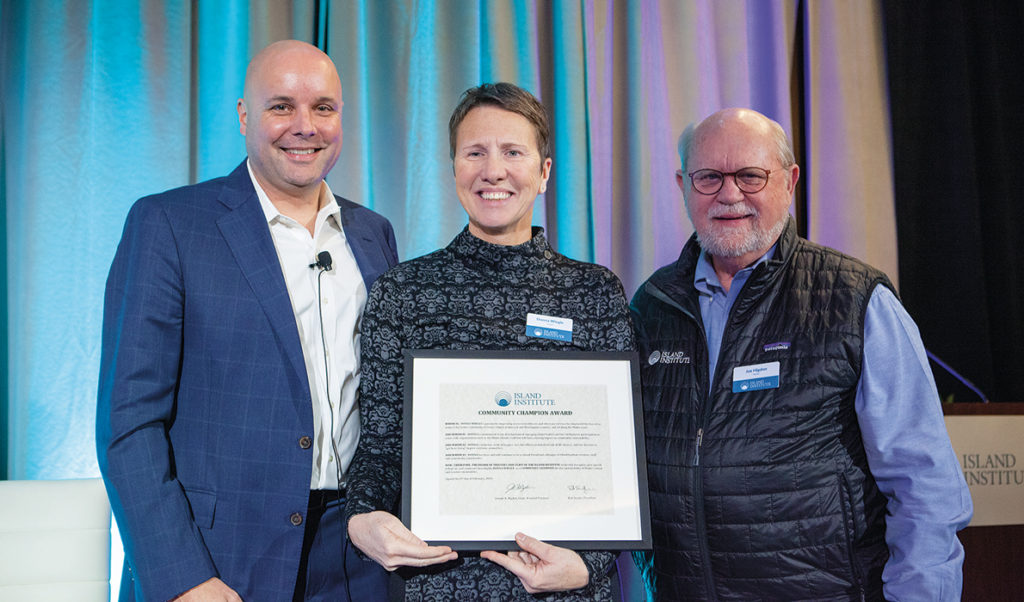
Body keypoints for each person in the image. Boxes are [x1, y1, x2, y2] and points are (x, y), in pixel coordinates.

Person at [97, 40, 397, 601]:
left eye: (324, 108)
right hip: (219, 559)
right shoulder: (169, 224)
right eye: (281, 106)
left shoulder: (372, 233)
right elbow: (128, 423)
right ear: (242, 116)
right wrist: (183, 577)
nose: (304, 126)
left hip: (357, 557)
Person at [631, 108, 972, 601]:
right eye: (709, 178)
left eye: (750, 175)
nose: (730, 194)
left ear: (789, 182)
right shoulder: (652, 305)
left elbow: (924, 485)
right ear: (683, 184)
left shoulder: (855, 299)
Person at [343, 82, 635, 601]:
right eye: (475, 152)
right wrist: (361, 517)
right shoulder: (404, 292)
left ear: (544, 172)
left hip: (564, 590)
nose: (493, 171)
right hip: (440, 585)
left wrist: (590, 565)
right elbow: (382, 446)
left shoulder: (595, 292)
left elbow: (621, 461)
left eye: (513, 152)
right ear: (454, 167)